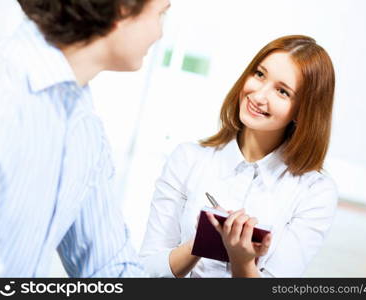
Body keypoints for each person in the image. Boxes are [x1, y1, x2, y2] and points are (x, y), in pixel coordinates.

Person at [0, 0, 170, 277]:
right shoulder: (5, 94)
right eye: (161, 13)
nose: (160, 33)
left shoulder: (83, 126)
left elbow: (110, 266)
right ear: (124, 7)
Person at [140, 35, 338, 278]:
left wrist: (243, 263)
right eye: (259, 74)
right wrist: (200, 243)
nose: (258, 96)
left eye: (282, 91)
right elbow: (145, 273)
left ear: (303, 111)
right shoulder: (188, 159)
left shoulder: (315, 192)